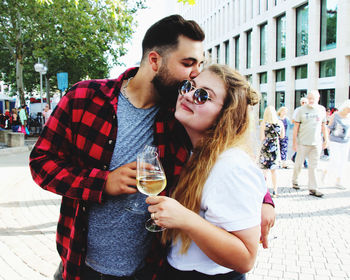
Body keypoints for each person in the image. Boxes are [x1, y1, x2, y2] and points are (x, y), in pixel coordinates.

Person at [29, 15, 275, 280]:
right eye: (187, 63)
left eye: (200, 64)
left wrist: (264, 200)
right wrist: (102, 182)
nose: (195, 74)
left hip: (150, 269)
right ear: (155, 60)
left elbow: (226, 152)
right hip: (83, 264)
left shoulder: (181, 114)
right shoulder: (84, 97)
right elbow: (41, 162)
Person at [146, 64, 266, 280]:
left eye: (203, 95)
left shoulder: (231, 165)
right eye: (188, 86)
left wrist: (185, 219)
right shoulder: (198, 152)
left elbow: (246, 259)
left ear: (225, 115)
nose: (188, 95)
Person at [292, 90, 328, 197]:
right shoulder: (301, 110)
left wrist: (326, 139)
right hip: (303, 142)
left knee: (314, 166)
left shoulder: (321, 110)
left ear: (318, 98)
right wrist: (295, 142)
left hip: (316, 143)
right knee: (298, 164)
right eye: (309, 98)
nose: (311, 100)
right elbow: (296, 127)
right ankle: (295, 180)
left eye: (313, 98)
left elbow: (323, 126)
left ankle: (313, 188)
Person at [259, 106, 285, 197]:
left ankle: (264, 191)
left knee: (264, 171)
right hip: (275, 149)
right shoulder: (280, 123)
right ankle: (275, 190)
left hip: (266, 149)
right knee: (274, 171)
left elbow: (261, 138)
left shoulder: (264, 123)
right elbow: (282, 136)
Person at [325, 100, 350, 189]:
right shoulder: (335, 116)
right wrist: (326, 140)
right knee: (335, 161)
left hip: (345, 142)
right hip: (334, 141)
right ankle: (326, 172)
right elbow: (328, 128)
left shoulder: (349, 117)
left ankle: (339, 180)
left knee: (343, 162)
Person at [291, 97, 308, 168]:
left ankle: (295, 156)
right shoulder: (297, 110)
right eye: (302, 102)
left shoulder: (309, 110)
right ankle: (305, 162)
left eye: (305, 102)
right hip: (299, 131)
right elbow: (293, 120)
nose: (304, 104)